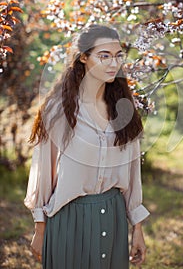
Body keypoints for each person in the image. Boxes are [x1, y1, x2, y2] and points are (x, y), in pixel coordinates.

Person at [25, 24, 150, 269]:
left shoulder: (123, 108)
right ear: (83, 57)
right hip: (68, 217)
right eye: (104, 56)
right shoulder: (58, 110)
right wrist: (40, 229)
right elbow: (42, 173)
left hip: (114, 216)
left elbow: (133, 172)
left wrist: (137, 227)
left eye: (118, 56)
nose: (113, 64)